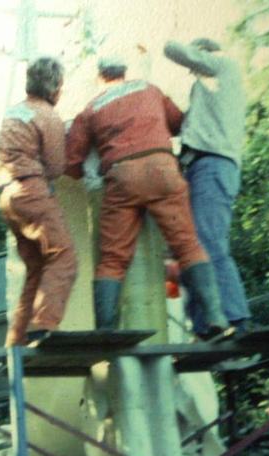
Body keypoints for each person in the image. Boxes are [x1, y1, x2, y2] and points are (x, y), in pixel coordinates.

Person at [65, 54, 228, 335]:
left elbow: (71, 162)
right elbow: (179, 123)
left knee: (113, 260)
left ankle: (106, 331)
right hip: (162, 168)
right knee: (187, 245)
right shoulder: (148, 88)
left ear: (99, 78)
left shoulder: (90, 109)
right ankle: (216, 318)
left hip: (121, 177)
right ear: (124, 71)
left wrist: (87, 177)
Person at [164, 37, 251, 335]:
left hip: (213, 165)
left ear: (205, 56)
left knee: (208, 242)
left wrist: (169, 38)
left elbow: (174, 49)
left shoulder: (223, 67)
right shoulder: (211, 93)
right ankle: (204, 324)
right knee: (190, 247)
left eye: (196, 63)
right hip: (201, 166)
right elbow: (186, 125)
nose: (192, 70)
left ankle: (236, 319)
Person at [0, 56, 78, 346]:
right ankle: (43, 325)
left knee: (36, 269)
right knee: (63, 257)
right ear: (55, 87)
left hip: (7, 195)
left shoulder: (14, 112)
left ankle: (16, 339)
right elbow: (55, 168)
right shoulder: (48, 116)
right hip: (32, 191)